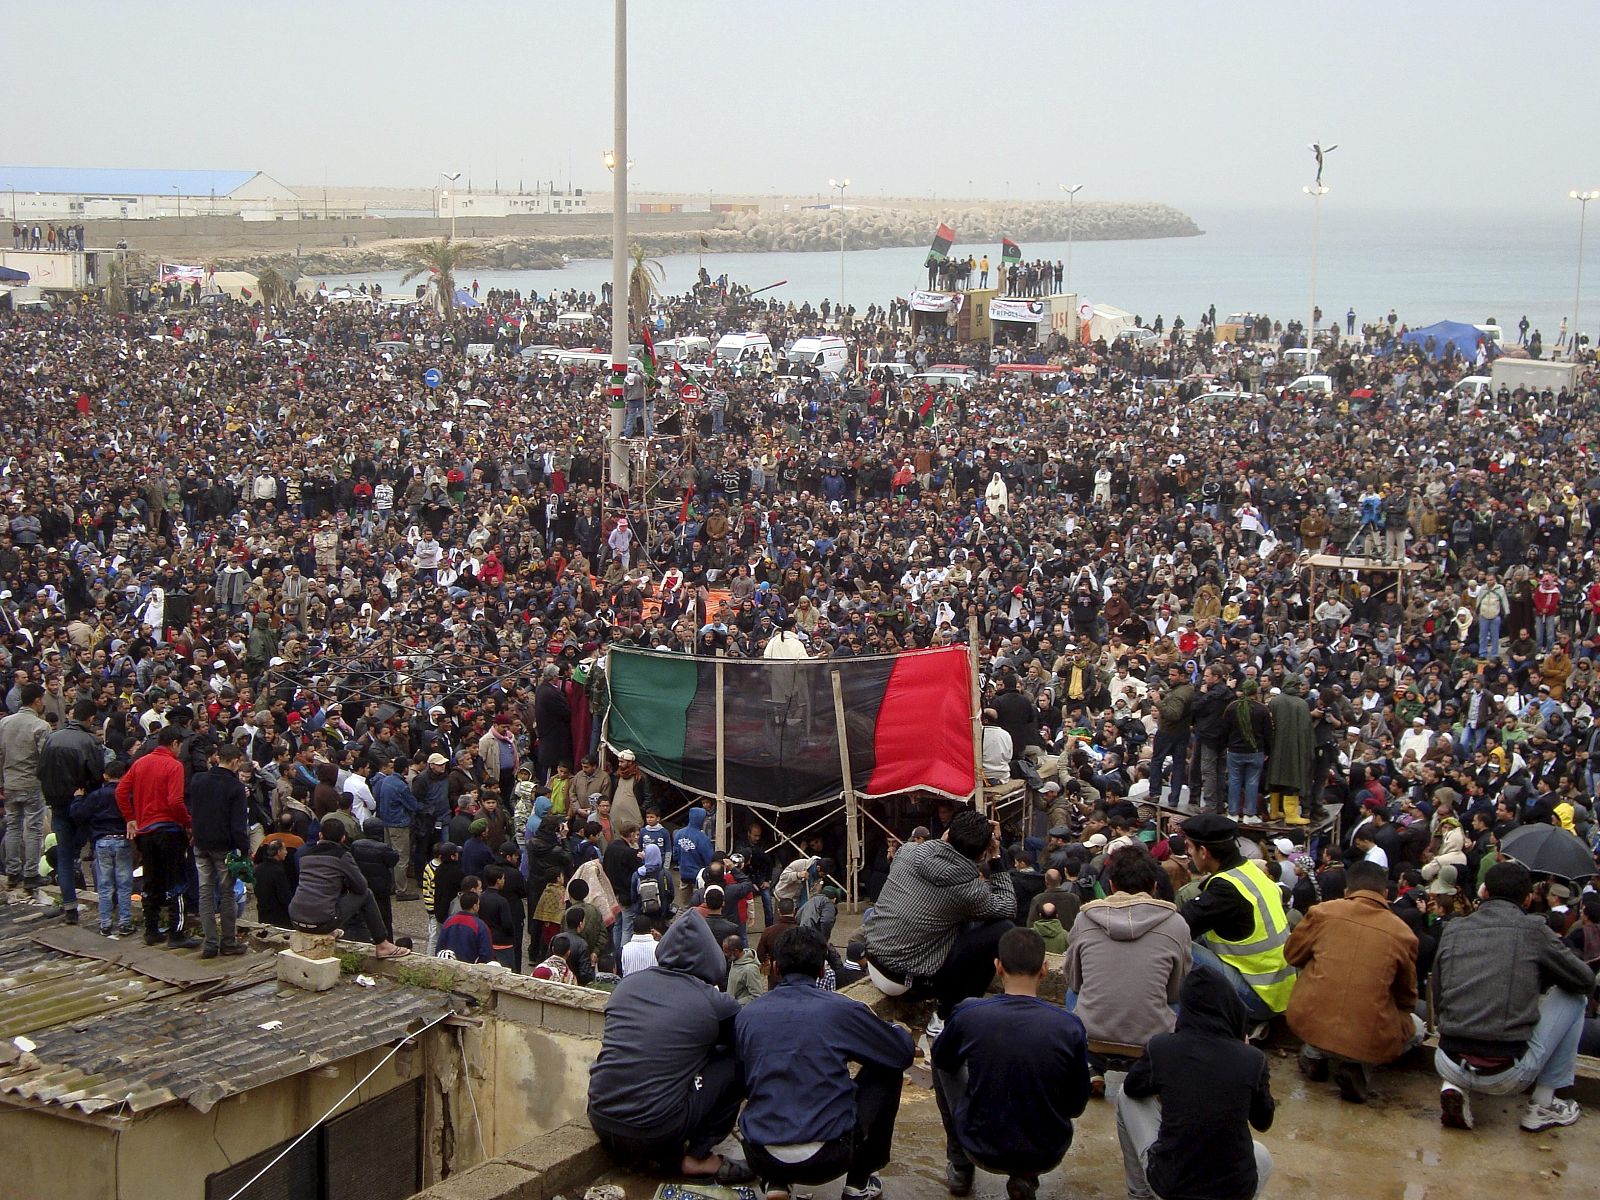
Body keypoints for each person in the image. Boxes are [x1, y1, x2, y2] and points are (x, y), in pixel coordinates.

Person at [736, 926, 915, 1200]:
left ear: (775, 969)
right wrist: (899, 1030)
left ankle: (776, 1182)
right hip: (829, 1157)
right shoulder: (841, 1009)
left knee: (764, 1078)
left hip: (760, 1154)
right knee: (887, 1071)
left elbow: (740, 1081)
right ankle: (858, 1183)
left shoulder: (748, 1015)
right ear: (822, 971)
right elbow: (901, 1054)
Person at [588, 910, 755, 1184]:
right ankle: (698, 1156)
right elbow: (742, 1044)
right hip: (655, 1129)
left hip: (601, 1119)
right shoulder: (713, 1002)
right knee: (736, 1064)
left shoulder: (627, 985)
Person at [1434, 861, 1597, 1132]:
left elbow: (1439, 996)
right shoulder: (1534, 930)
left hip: (1446, 1058)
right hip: (1505, 1073)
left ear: (1484, 893)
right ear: (1528, 898)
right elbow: (1585, 980)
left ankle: (1454, 1085)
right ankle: (1543, 1105)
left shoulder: (1453, 929)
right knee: (1574, 998)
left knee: (1465, 1011)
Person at [934, 927, 1091, 1200]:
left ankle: (960, 1166)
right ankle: (1025, 1175)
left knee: (942, 1058)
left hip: (979, 1144)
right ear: (1044, 969)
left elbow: (944, 1060)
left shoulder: (969, 1014)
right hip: (1047, 1150)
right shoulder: (1069, 1026)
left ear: (997, 967)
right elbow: (1076, 1105)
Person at [1116, 969, 1276, 1200]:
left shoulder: (1162, 1048)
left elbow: (1133, 1087)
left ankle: (1140, 1194)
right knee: (1261, 1155)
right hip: (1234, 1191)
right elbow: (1263, 1121)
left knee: (1123, 1094)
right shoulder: (1253, 1059)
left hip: (1171, 1187)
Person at [1285, 859, 1424, 1103]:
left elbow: (1292, 956)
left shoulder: (1322, 912)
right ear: (1386, 894)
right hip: (1367, 1035)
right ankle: (1360, 1068)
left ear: (1347, 892)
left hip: (1307, 1020)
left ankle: (1314, 1054)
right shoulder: (1403, 933)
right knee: (1418, 1028)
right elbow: (1406, 997)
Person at [864, 808, 1016, 1024]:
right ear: (982, 854)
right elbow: (1008, 905)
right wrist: (996, 857)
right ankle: (953, 1011)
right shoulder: (969, 890)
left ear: (946, 834)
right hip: (907, 981)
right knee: (1003, 927)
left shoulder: (907, 851)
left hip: (874, 960)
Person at [1066, 845, 1192, 1095]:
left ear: (1111, 885)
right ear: (1154, 886)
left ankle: (1091, 1067)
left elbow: (1074, 979)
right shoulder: (1176, 924)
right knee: (1180, 1003)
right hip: (1151, 1043)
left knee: (1072, 994)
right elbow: (1176, 991)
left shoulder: (1085, 919)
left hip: (1092, 1037)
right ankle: (1150, 1071)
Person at [1177, 813, 1296, 1021]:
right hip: (1278, 990)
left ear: (1203, 852)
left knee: (1174, 941)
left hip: (1258, 998)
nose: (1187, 853)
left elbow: (1176, 926)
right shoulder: (1250, 870)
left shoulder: (1225, 890)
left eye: (1189, 847)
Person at [116, 725, 201, 948]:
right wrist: (188, 822)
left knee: (151, 881)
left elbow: (121, 791)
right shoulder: (174, 765)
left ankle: (151, 930)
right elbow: (175, 801)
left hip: (145, 832)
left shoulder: (139, 763)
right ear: (174, 743)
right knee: (177, 882)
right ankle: (177, 932)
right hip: (169, 830)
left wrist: (130, 818)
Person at [288, 819, 409, 958]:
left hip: (295, 918)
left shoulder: (305, 855)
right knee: (367, 894)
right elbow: (361, 886)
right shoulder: (342, 856)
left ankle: (330, 930)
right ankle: (382, 945)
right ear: (343, 838)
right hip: (321, 921)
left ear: (320, 835)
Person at [187, 741, 252, 958]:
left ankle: (210, 943)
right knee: (227, 893)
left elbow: (193, 809)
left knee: (205, 891)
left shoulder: (198, 780)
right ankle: (228, 942)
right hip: (224, 845)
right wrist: (244, 849)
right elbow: (238, 823)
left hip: (201, 842)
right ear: (235, 761)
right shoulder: (234, 787)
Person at [0, 682, 52, 899]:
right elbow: (45, 760)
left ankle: (13, 872)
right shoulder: (40, 726)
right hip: (31, 782)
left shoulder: (4, 723)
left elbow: (0, 754)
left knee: (13, 826)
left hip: (10, 781)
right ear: (37, 700)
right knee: (32, 827)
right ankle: (30, 873)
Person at [72, 760, 135, 936]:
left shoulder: (97, 795)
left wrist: (78, 798)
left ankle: (105, 923)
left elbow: (79, 814)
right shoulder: (128, 795)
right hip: (122, 840)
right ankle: (125, 923)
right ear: (124, 776)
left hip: (102, 841)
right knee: (124, 884)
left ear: (105, 776)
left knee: (105, 885)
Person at [435, 888, 494, 963]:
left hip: (449, 965)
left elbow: (440, 947)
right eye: (478, 904)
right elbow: (486, 954)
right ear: (475, 906)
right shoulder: (480, 925)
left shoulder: (449, 921)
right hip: (470, 968)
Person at [723, 932, 766, 1004]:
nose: (725, 954)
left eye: (727, 952)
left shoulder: (750, 970)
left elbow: (757, 995)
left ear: (736, 951)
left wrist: (736, 1002)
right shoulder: (735, 960)